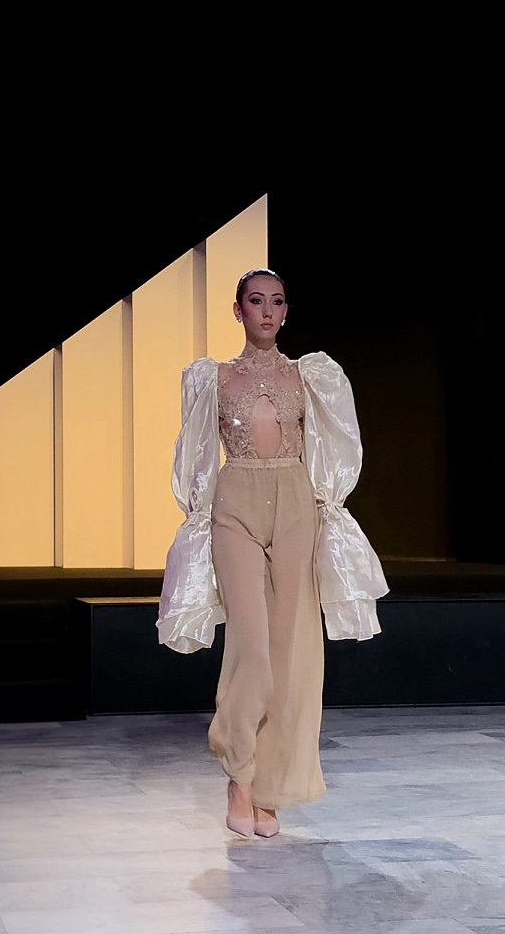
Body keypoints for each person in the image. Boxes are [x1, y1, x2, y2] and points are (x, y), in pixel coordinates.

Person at [156, 267, 389, 839]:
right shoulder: (212, 378)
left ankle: (271, 789)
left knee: (292, 653)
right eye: (256, 301)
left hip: (294, 500)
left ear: (286, 312)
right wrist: (196, 512)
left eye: (277, 301)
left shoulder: (310, 375)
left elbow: (335, 447)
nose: (267, 311)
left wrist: (328, 507)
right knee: (253, 648)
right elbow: (195, 453)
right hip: (235, 499)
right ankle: (239, 774)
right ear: (238, 310)